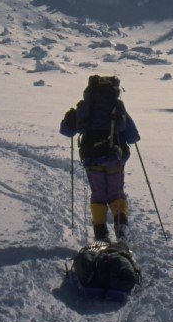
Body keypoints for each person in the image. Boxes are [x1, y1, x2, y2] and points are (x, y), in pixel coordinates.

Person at [60, 74, 140, 241]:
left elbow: (66, 131)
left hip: (92, 159)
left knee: (99, 194)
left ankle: (100, 233)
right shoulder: (118, 107)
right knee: (116, 193)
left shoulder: (84, 107)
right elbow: (132, 137)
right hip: (115, 159)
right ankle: (121, 229)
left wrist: (70, 116)